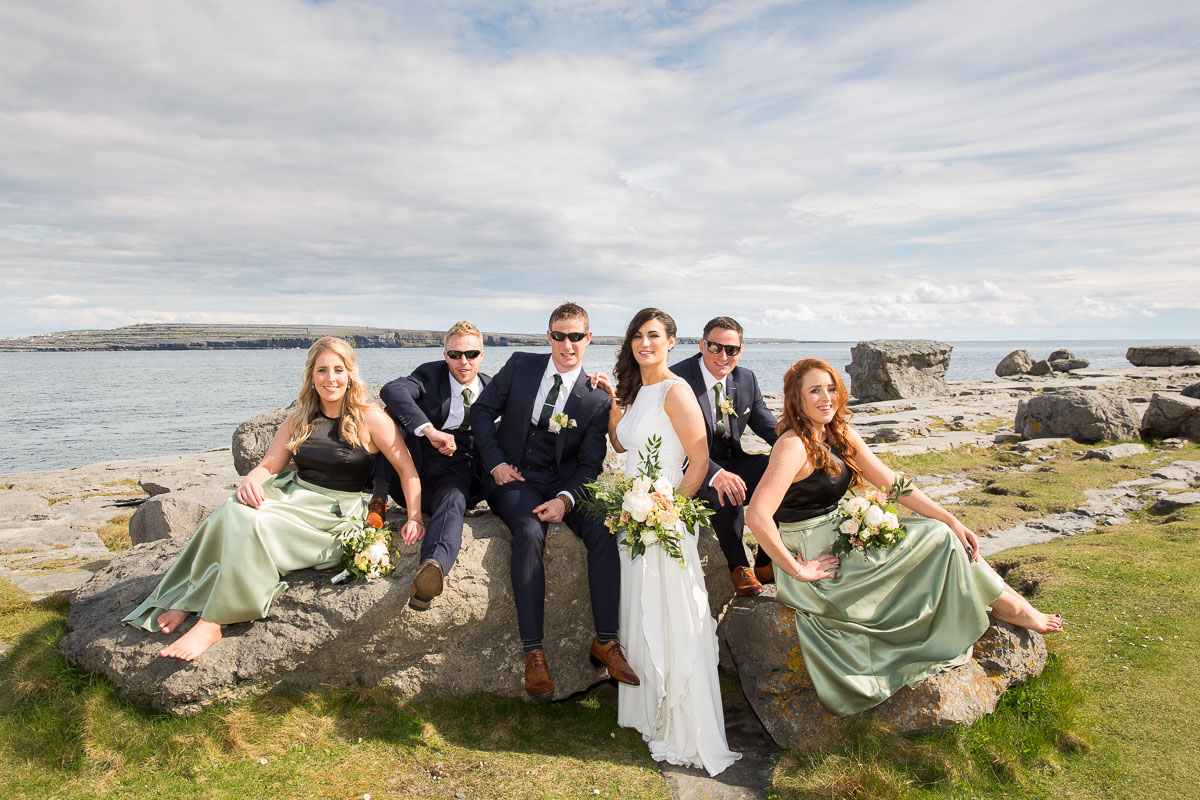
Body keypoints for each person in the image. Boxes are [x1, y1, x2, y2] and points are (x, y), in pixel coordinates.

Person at [745, 358, 1063, 716]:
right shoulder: (793, 445)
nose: (826, 397)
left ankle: (1011, 605)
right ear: (796, 399)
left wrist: (950, 517)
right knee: (938, 541)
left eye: (831, 388)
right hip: (815, 554)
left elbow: (893, 483)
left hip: (842, 532)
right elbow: (757, 516)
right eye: (815, 390)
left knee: (941, 533)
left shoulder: (838, 432)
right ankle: (1013, 607)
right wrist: (797, 570)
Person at [122, 337, 424, 661]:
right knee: (232, 510)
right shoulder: (300, 417)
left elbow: (408, 471)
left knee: (251, 522)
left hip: (332, 513)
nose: (330, 378)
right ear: (312, 376)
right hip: (291, 494)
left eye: (338, 369)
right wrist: (251, 480)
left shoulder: (372, 419)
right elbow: (269, 465)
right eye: (322, 370)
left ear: (350, 374)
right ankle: (190, 596)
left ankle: (214, 621)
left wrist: (415, 516)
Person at [594, 307, 741, 776]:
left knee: (675, 615)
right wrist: (611, 402)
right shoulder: (640, 391)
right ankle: (648, 713)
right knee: (641, 613)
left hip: (666, 522)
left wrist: (668, 512)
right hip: (635, 519)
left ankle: (683, 720)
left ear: (672, 342)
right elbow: (622, 444)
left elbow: (699, 461)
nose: (645, 344)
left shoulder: (677, 390)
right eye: (638, 336)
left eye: (654, 336)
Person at [471, 302, 638, 699]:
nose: (567, 344)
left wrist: (566, 499)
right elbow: (480, 412)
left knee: (602, 528)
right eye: (559, 336)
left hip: (562, 481)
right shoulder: (520, 366)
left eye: (576, 336)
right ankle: (534, 653)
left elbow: (590, 462)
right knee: (529, 532)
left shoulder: (596, 398)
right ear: (549, 337)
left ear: (588, 338)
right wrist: (494, 463)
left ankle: (607, 641)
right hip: (513, 476)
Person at [374, 321, 491, 610]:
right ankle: (378, 496)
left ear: (482, 355)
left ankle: (432, 569)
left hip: (458, 474)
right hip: (416, 469)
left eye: (471, 354)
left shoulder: (492, 387)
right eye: (455, 355)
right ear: (445, 355)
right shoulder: (429, 375)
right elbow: (392, 390)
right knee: (390, 415)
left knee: (453, 500)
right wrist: (429, 430)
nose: (463, 362)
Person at [673, 316, 779, 596]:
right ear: (702, 344)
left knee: (780, 472)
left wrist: (804, 449)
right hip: (693, 468)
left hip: (734, 459)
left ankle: (767, 561)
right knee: (728, 492)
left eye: (731, 349)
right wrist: (715, 474)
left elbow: (768, 426)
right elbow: (675, 445)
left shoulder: (746, 379)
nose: (722, 355)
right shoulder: (676, 381)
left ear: (740, 351)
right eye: (715, 347)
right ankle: (738, 566)